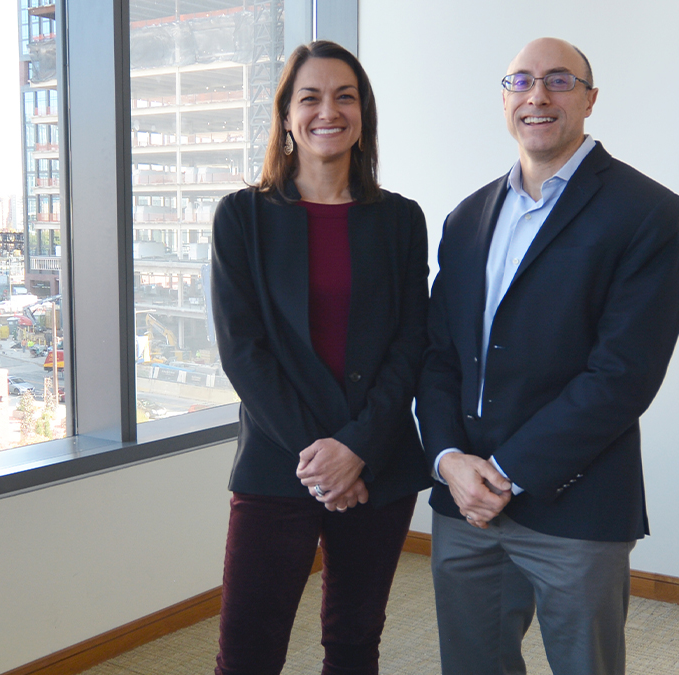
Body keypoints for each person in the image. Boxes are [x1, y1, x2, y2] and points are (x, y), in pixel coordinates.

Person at [417, 37, 679, 675]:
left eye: (559, 80)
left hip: (578, 502)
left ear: (590, 100)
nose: (537, 95)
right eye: (521, 82)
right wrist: (450, 459)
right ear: (505, 100)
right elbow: (438, 356)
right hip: (464, 503)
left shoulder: (645, 211)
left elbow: (624, 373)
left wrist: (507, 471)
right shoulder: (467, 219)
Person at [210, 40, 430, 675]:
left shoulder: (401, 220)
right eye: (310, 97)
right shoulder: (242, 217)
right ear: (286, 116)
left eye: (345, 96)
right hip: (280, 462)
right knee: (247, 652)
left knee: (355, 645)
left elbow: (412, 341)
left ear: (363, 114)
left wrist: (356, 447)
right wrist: (323, 457)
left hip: (378, 465)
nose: (327, 111)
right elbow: (242, 352)